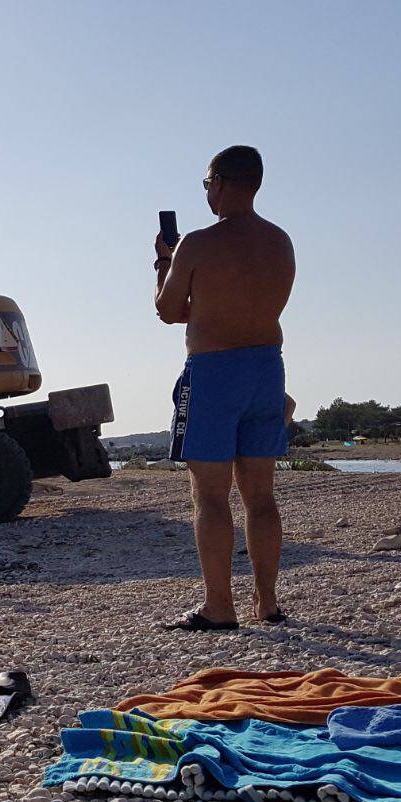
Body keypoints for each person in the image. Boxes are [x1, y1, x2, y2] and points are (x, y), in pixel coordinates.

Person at [154, 145, 295, 631]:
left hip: (214, 371)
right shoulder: (280, 242)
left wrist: (164, 265)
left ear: (220, 182)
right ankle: (268, 603)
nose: (207, 193)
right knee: (261, 496)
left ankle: (219, 606)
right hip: (266, 368)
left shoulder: (196, 243)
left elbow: (170, 311)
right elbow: (253, 305)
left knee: (210, 496)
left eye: (207, 184)